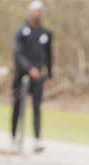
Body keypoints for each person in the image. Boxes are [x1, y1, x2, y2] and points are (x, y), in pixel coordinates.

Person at [12, 0, 52, 152]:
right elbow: (18, 54)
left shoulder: (46, 33)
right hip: (21, 76)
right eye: (35, 11)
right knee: (17, 107)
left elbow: (49, 57)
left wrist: (49, 76)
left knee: (36, 107)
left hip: (38, 77)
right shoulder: (21, 31)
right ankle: (14, 137)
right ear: (30, 12)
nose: (37, 14)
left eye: (40, 11)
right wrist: (29, 69)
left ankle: (37, 139)